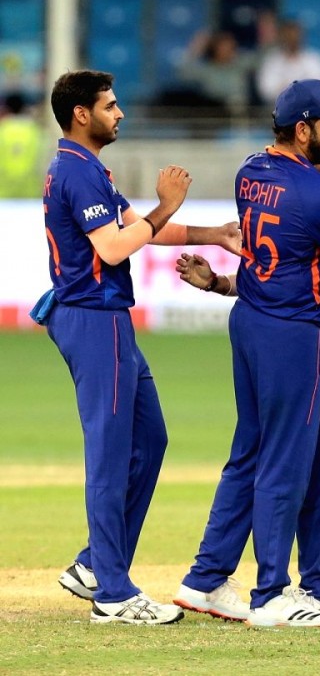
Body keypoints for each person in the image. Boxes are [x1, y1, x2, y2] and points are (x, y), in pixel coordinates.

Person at [174, 79, 320, 628]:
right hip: (292, 332)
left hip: (250, 319)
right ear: (303, 130)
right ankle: (271, 593)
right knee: (285, 460)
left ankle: (206, 578)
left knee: (250, 454)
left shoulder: (250, 170)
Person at [40, 69, 240, 624]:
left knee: (149, 440)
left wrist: (214, 234)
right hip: (92, 319)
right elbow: (114, 247)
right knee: (109, 455)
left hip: (109, 321)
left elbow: (137, 227)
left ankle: (94, 565)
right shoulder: (75, 173)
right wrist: (167, 204)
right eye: (110, 104)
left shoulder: (88, 168)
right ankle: (113, 594)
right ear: (82, 114)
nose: (120, 112)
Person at [175, 30, 258, 114]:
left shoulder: (241, 64)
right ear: (215, 48)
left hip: (238, 112)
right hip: (213, 112)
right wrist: (194, 50)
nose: (227, 50)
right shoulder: (207, 69)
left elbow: (261, 62)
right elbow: (182, 74)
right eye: (223, 47)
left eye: (230, 47)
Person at [256, 19, 320, 105]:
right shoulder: (271, 62)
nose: (291, 38)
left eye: (294, 35)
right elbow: (266, 91)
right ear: (281, 36)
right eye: (288, 35)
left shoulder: (315, 59)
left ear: (301, 36)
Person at [0, 93, 43, 198]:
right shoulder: (35, 130)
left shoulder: (2, 129)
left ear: (7, 109)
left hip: (4, 191)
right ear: (24, 108)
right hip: (30, 191)